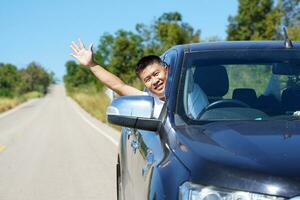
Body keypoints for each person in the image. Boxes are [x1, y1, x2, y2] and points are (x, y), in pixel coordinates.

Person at [70, 39, 168, 118]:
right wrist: (91, 64)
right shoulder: (148, 100)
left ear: (166, 69)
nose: (155, 81)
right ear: (144, 84)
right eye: (148, 79)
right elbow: (118, 86)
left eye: (156, 74)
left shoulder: (183, 92)